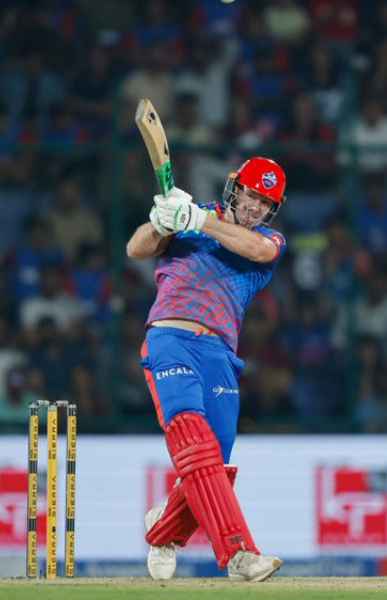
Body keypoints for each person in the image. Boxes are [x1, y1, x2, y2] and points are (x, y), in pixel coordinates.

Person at [126, 157, 288, 582]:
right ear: (234, 188)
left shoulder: (267, 239)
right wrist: (160, 223)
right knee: (194, 440)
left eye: (265, 202)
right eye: (251, 195)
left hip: (219, 354)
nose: (255, 207)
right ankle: (239, 554)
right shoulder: (187, 214)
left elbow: (256, 250)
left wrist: (198, 220)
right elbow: (136, 248)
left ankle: (163, 531)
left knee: (216, 465)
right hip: (170, 339)